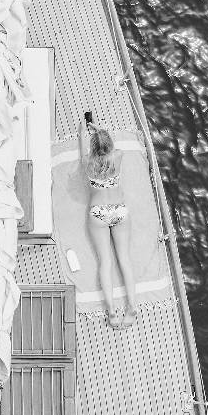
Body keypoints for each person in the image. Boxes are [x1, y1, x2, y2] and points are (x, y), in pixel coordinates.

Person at [79, 114, 138, 328]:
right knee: (125, 259)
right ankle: (131, 308)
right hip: (119, 210)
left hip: (99, 214)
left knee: (105, 262)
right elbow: (110, 146)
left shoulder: (88, 162)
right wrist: (101, 131)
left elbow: (86, 153)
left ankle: (112, 312)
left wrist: (87, 135)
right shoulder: (118, 156)